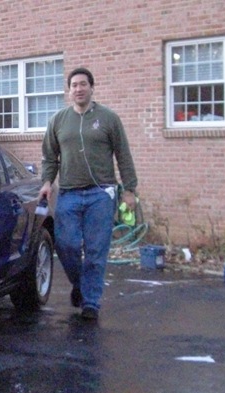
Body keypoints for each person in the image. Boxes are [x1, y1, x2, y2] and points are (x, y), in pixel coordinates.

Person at [38, 67, 138, 321]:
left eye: (83, 84)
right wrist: (47, 182)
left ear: (92, 88)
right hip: (69, 194)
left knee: (95, 251)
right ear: (69, 90)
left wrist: (129, 189)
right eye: (74, 85)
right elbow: (49, 157)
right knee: (66, 245)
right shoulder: (58, 120)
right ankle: (80, 285)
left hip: (101, 194)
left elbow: (123, 155)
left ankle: (90, 302)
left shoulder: (108, 118)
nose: (79, 89)